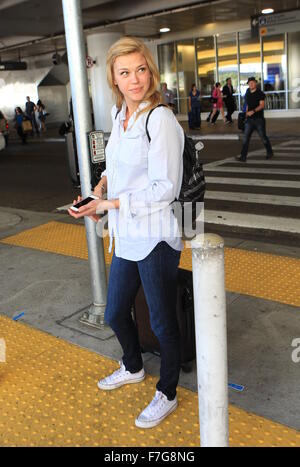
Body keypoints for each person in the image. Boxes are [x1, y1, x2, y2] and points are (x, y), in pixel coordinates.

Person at [68, 36, 184, 429]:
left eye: (141, 69)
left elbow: (164, 188)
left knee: (163, 322)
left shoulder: (159, 119)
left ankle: (168, 391)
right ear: (113, 80)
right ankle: (133, 366)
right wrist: (96, 192)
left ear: (150, 71)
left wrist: (110, 206)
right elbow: (114, 168)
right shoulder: (122, 116)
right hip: (126, 236)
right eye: (125, 72)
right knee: (116, 312)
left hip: (154, 237)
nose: (135, 79)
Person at [236, 77, 273, 162]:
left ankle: (270, 152)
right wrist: (245, 113)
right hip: (249, 120)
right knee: (245, 138)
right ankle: (243, 157)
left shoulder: (260, 93)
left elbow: (262, 105)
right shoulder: (247, 92)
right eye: (249, 83)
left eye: (252, 83)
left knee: (263, 137)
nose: (251, 84)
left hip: (259, 120)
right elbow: (247, 104)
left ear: (255, 83)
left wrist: (253, 111)